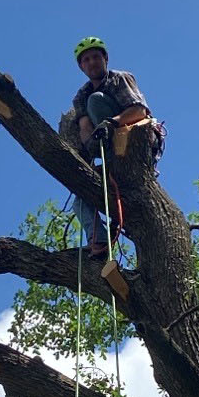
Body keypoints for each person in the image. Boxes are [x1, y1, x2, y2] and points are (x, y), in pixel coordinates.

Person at [66, 37, 151, 256]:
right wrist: (91, 143)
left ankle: (113, 152)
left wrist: (112, 122)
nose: (92, 62)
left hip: (134, 142)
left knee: (96, 100)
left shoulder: (119, 79)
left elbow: (140, 111)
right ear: (81, 66)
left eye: (96, 57)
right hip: (109, 150)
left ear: (105, 58)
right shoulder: (80, 96)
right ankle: (100, 243)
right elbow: (85, 125)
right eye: (86, 60)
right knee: (80, 199)